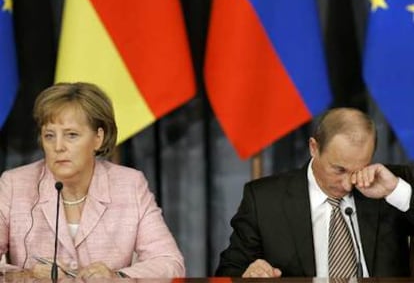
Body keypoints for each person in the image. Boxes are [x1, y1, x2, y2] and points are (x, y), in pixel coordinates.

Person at [0, 82, 185, 279]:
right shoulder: (15, 184)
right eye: (49, 136)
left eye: (71, 135)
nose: (58, 146)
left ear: (98, 137)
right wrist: (25, 275)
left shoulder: (129, 185)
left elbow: (169, 262)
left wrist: (116, 277)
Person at [216, 107, 414, 278]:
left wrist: (397, 192)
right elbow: (228, 271)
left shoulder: (390, 184)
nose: (347, 185)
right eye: (339, 170)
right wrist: (250, 273)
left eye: (358, 170)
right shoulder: (264, 199)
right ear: (314, 148)